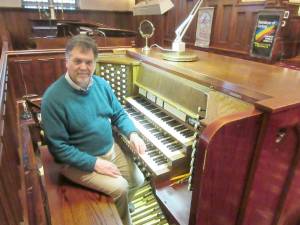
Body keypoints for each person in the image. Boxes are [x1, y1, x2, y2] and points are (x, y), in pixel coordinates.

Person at [41, 34, 146, 225]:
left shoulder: (101, 85)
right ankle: (121, 220)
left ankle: (120, 207)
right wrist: (95, 164)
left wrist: (132, 134)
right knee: (121, 187)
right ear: (67, 62)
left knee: (138, 180)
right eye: (77, 61)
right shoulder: (53, 98)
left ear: (95, 63)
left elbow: (118, 114)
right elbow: (58, 148)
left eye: (88, 62)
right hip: (76, 162)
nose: (83, 67)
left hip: (109, 150)